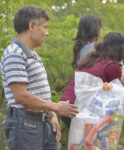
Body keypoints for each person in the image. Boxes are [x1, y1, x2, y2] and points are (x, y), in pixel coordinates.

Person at [1, 5, 78, 150]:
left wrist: (52, 115)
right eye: (44, 27)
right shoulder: (14, 53)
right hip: (25, 125)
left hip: (44, 123)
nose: (47, 33)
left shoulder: (34, 54)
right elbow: (21, 96)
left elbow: (39, 92)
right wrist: (56, 107)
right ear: (31, 26)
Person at [60, 32, 124, 128]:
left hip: (65, 105)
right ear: (121, 49)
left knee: (79, 141)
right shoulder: (112, 66)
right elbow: (115, 94)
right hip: (79, 110)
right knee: (91, 141)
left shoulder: (91, 58)